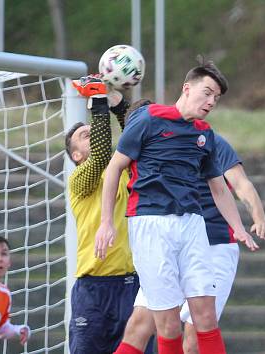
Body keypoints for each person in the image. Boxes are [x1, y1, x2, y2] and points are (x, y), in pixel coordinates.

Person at [96, 59, 258, 354]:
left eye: (216, 99)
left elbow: (219, 187)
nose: (211, 102)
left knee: (205, 316)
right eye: (207, 93)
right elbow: (114, 168)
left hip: (192, 226)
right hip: (150, 225)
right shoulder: (148, 119)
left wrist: (238, 228)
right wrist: (107, 222)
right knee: (167, 325)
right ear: (187, 88)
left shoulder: (204, 134)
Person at [112, 124, 265, 354]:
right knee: (140, 323)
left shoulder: (209, 141)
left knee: (195, 335)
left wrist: (259, 218)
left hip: (214, 245)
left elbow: (240, 183)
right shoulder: (148, 143)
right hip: (170, 244)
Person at [63, 76, 152, 354]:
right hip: (94, 289)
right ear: (76, 155)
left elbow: (138, 139)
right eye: (85, 135)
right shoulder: (79, 180)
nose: (94, 134)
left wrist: (117, 104)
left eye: (94, 131)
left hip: (132, 285)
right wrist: (98, 104)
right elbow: (100, 156)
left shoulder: (122, 171)